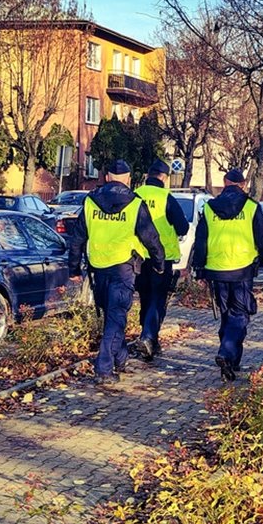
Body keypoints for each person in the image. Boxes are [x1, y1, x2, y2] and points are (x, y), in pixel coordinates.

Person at [68, 159, 165, 385]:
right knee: (115, 318)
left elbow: (77, 238)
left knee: (112, 315)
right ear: (128, 179)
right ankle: (103, 368)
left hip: (99, 268)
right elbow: (151, 237)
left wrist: (73, 267)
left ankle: (120, 358)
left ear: (108, 177)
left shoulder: (90, 202)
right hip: (123, 268)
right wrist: (159, 263)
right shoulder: (134, 203)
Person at [190, 169, 263, 382]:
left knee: (227, 316)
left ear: (225, 182)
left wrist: (198, 269)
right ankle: (226, 352)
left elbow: (201, 240)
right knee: (239, 316)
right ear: (243, 184)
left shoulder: (209, 208)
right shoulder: (251, 207)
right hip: (242, 270)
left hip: (216, 271)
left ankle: (232, 361)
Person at [133, 159, 190, 362]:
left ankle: (151, 342)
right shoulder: (166, 197)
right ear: (164, 177)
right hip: (161, 258)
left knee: (145, 297)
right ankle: (147, 337)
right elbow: (183, 227)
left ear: (147, 175)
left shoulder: (135, 195)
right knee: (158, 299)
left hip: (137, 258)